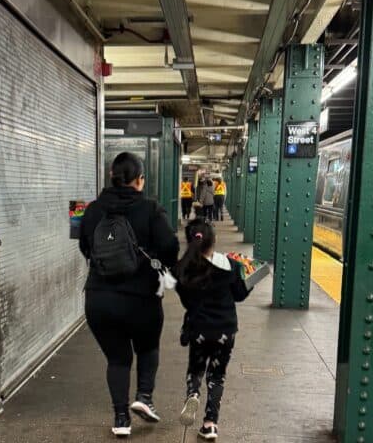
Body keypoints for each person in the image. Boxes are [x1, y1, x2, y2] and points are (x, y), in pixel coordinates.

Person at [79, 152, 180, 438]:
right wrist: (159, 265)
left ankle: (121, 418)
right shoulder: (150, 208)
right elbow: (171, 246)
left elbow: (86, 248)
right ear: (139, 180)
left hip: (99, 299)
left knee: (118, 359)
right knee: (147, 347)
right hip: (141, 299)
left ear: (112, 178)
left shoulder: (93, 209)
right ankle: (144, 397)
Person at [173, 219, 250, 440]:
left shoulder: (183, 269)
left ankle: (193, 393)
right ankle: (210, 424)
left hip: (199, 330)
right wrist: (249, 281)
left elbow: (187, 302)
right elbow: (240, 295)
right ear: (213, 241)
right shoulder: (231, 265)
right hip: (225, 331)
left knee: (196, 369)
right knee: (217, 375)